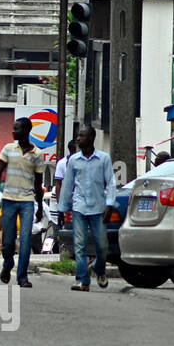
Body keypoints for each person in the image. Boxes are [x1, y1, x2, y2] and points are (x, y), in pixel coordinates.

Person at [59, 124, 115, 292]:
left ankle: (99, 269)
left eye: (81, 136)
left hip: (98, 208)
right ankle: (82, 280)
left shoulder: (103, 158)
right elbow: (67, 184)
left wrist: (109, 204)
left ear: (91, 138)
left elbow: (111, 182)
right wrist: (63, 208)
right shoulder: (74, 160)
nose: (78, 138)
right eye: (78, 135)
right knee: (80, 245)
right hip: (79, 207)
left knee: (101, 246)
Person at [0, 117, 45, 290]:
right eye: (13, 129)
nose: (13, 132)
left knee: (26, 239)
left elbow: (38, 183)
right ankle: (8, 264)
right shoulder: (7, 149)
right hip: (8, 199)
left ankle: (22, 277)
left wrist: (40, 206)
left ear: (26, 131)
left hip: (27, 201)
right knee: (7, 241)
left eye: (17, 129)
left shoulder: (37, 154)